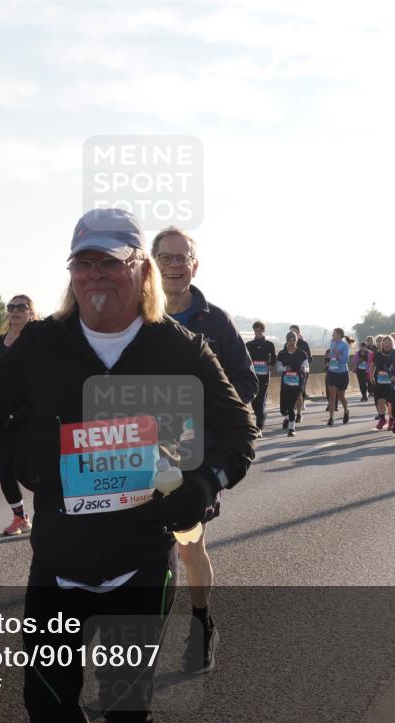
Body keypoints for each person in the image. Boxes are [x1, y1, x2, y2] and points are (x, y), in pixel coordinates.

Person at [0, 208, 256, 723]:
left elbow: (239, 428)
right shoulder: (40, 345)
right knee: (48, 711)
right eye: (83, 263)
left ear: (142, 271)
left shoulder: (176, 347)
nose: (95, 274)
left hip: (140, 563)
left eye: (110, 261)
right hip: (59, 561)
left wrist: (205, 483)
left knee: (128, 714)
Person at [151, 226, 257, 677]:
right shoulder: (132, 314)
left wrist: (199, 412)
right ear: (150, 263)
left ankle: (201, 623)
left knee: (188, 547)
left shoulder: (216, 322)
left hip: (193, 460)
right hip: (139, 455)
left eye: (182, 258)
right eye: (166, 257)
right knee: (143, 555)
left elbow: (247, 385)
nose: (174, 265)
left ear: (195, 265)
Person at [0, 295, 38, 535]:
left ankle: (52, 509)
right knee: (5, 470)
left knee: (28, 470)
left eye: (21, 307)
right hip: (1, 419)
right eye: (11, 307)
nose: (15, 311)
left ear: (30, 312)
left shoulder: (37, 341)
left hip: (29, 419)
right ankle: (20, 517)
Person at [277, 331, 310, 436]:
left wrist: (303, 368)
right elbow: (278, 368)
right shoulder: (282, 354)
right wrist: (284, 368)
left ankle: (292, 429)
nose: (291, 342)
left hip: (297, 383)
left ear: (296, 340)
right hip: (285, 383)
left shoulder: (302, 354)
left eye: (294, 340)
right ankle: (286, 417)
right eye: (289, 340)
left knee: (291, 407)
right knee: (283, 409)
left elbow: (307, 368)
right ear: (286, 341)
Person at [246, 321, 277, 429]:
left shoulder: (269, 345)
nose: (257, 332)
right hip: (252, 377)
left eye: (259, 330)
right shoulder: (248, 345)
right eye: (255, 330)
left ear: (263, 331)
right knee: (254, 402)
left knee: (261, 399)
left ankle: (259, 427)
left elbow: (274, 358)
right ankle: (261, 415)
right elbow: (245, 359)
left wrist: (270, 366)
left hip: (264, 377)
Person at [325, 328, 353, 426]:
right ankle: (331, 418)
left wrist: (337, 355)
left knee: (341, 396)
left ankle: (346, 411)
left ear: (340, 335)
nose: (332, 335)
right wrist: (329, 358)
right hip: (332, 372)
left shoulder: (345, 346)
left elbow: (345, 360)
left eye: (334, 333)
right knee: (332, 396)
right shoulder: (332, 343)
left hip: (342, 373)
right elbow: (332, 356)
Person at [370, 336, 394, 431]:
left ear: (392, 344)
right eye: (385, 342)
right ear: (382, 344)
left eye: (389, 342)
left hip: (391, 383)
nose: (387, 344)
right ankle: (382, 419)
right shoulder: (378, 354)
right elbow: (373, 365)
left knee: (390, 403)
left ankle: (392, 420)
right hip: (380, 382)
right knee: (380, 401)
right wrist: (371, 376)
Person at [290, 324, 312, 420]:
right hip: (290, 373)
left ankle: (299, 411)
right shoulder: (286, 344)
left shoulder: (304, 344)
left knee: (300, 390)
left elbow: (309, 358)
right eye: (290, 331)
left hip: (302, 372)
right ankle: (292, 410)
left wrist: (303, 366)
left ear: (299, 333)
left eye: (294, 331)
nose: (292, 334)